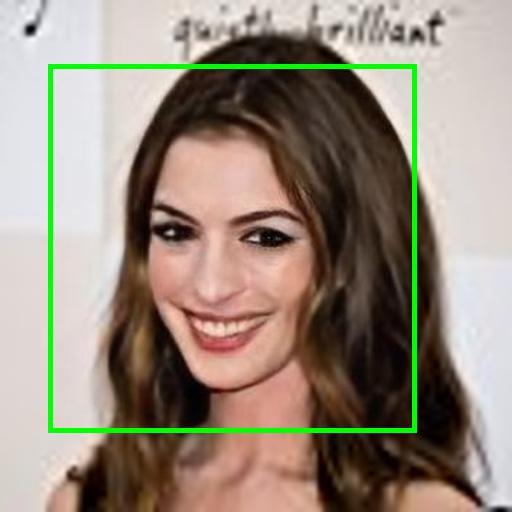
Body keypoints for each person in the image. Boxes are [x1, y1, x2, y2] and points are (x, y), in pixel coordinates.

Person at [48, 33, 486, 511]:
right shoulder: (90, 501)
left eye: (265, 238)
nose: (209, 286)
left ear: (349, 255)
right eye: (177, 232)